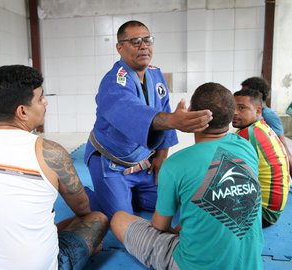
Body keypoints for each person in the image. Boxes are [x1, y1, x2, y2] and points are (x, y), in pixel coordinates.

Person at [0, 65, 108, 269]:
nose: (45, 103)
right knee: (97, 218)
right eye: (40, 98)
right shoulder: (51, 153)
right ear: (22, 111)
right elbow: (83, 209)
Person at [111, 82, 263, 270]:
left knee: (119, 218)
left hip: (191, 264)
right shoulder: (246, 148)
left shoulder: (176, 164)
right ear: (231, 117)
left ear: (192, 114)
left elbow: (160, 226)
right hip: (250, 264)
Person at [84, 20, 213, 220]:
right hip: (111, 164)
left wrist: (161, 157)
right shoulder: (113, 81)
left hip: (143, 164)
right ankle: (91, 195)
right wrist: (174, 121)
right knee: (122, 219)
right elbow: (129, 111)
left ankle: (123, 195)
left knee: (173, 203)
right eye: (135, 41)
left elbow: (164, 110)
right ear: (120, 47)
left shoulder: (154, 73)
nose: (143, 45)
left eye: (147, 40)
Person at [233, 88, 290, 227]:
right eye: (233, 107)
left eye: (241, 108)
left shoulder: (247, 135)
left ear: (258, 111)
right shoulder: (261, 126)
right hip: (275, 210)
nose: (234, 112)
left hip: (264, 214)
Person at [241, 76, 292, 177]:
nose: (241, 94)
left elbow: (282, 145)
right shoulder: (250, 114)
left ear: (259, 94)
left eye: (246, 92)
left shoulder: (268, 115)